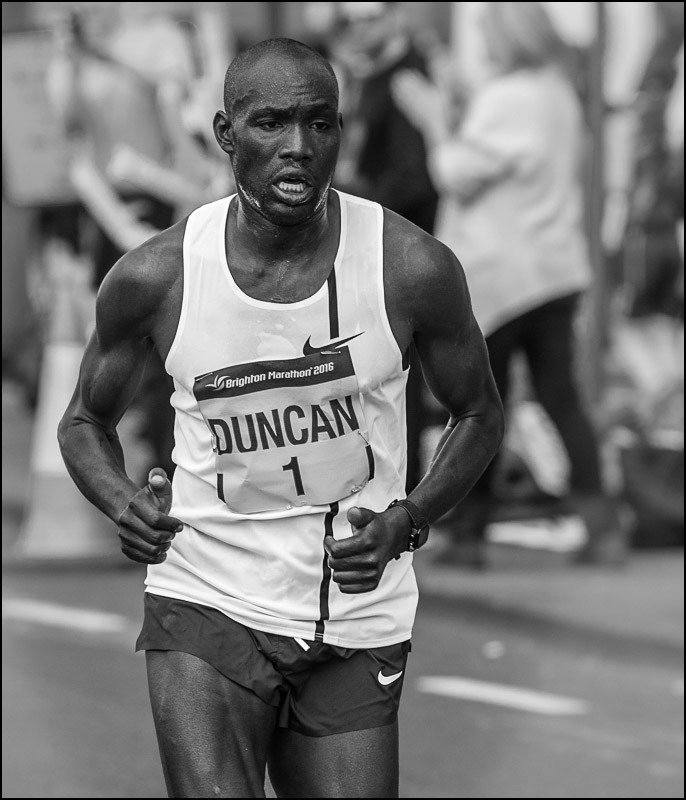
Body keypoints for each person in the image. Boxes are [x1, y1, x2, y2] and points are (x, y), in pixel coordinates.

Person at [58, 38, 503, 798]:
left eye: (319, 124)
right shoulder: (158, 277)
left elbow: (479, 413)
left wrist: (409, 518)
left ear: (340, 131)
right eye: (271, 124)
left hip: (355, 613)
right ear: (226, 133)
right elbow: (82, 422)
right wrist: (122, 502)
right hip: (207, 594)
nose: (298, 148)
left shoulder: (411, 267)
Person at [392, 2, 629, 566]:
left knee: (478, 403)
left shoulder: (510, 97)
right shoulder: (557, 93)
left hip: (504, 273)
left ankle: (469, 530)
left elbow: (456, 172)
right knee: (559, 396)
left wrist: (431, 120)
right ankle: (601, 522)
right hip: (553, 266)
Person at [330, 1, 443, 494]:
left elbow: (416, 178)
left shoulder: (405, 79)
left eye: (369, 15)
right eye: (349, 19)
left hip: (395, 254)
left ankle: (405, 500)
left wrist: (357, 207)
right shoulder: (369, 75)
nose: (359, 27)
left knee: (399, 375)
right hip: (374, 249)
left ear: (395, 17)